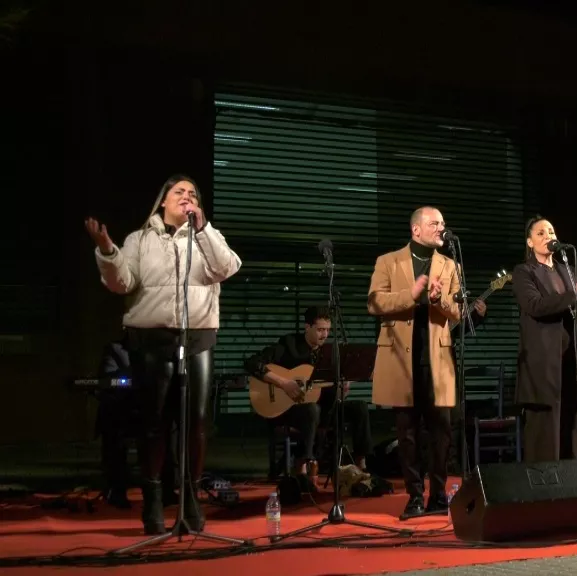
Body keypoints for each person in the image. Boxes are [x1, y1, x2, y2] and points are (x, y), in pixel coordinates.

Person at [85, 174, 241, 534]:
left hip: (198, 335)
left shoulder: (206, 236)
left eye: (192, 194)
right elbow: (122, 283)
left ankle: (191, 498)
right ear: (163, 201)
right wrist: (107, 251)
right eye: (179, 192)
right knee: (154, 422)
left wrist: (204, 231)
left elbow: (227, 268)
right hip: (151, 337)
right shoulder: (139, 239)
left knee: (197, 421)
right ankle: (153, 500)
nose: (187, 197)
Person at [367, 206, 461, 518]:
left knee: (441, 431)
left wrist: (438, 300)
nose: (441, 228)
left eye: (443, 223)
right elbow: (375, 302)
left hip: (437, 359)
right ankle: (415, 496)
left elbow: (458, 312)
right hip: (400, 358)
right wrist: (412, 293)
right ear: (416, 229)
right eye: (435, 223)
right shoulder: (388, 261)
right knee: (406, 431)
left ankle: (439, 495)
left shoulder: (450, 265)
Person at [512, 215, 577, 463]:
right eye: (540, 233)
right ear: (529, 242)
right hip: (544, 366)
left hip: (572, 360)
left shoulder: (566, 271)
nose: (548, 237)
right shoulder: (524, 272)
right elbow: (535, 306)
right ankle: (544, 483)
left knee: (572, 429)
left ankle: (574, 482)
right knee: (545, 435)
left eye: (551, 232)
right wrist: (576, 292)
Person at [244, 306, 374, 482]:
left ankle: (361, 465)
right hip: (287, 410)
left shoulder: (329, 354)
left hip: (322, 410)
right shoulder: (289, 345)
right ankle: (303, 468)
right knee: (312, 410)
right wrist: (283, 383)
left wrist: (341, 390)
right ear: (307, 327)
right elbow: (252, 363)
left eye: (327, 330)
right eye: (320, 329)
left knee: (360, 407)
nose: (325, 335)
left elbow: (329, 394)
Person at [95, 339, 177, 509]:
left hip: (155, 412)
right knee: (112, 421)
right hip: (126, 411)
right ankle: (116, 491)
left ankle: (166, 492)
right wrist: (138, 373)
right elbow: (108, 381)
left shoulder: (164, 349)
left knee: (168, 426)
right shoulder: (116, 349)